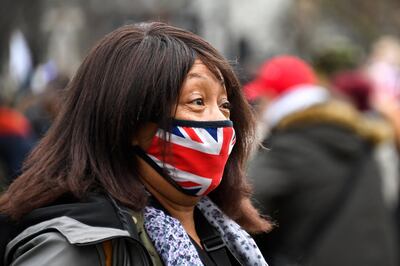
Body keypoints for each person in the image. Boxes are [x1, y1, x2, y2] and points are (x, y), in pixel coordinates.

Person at [0, 22, 270, 266]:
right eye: (197, 102)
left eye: (224, 105)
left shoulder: (227, 234)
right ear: (128, 120)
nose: (221, 121)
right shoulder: (81, 246)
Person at [245, 55, 398, 266]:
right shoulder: (359, 137)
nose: (259, 108)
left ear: (275, 99)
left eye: (261, 100)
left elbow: (244, 206)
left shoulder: (291, 146)